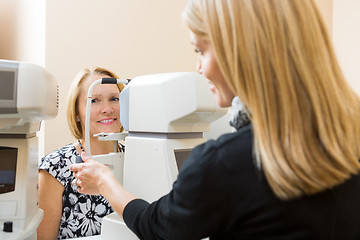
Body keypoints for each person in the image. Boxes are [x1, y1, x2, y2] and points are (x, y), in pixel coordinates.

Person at [70, 0, 360, 239]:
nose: (199, 68)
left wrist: (106, 182)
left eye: (200, 50)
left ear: (240, 51)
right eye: (94, 101)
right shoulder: (346, 138)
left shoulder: (226, 162)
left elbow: (157, 227)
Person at [38, 67, 125, 239]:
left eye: (114, 99)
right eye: (94, 101)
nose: (107, 109)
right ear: (77, 112)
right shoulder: (55, 168)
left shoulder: (139, 158)